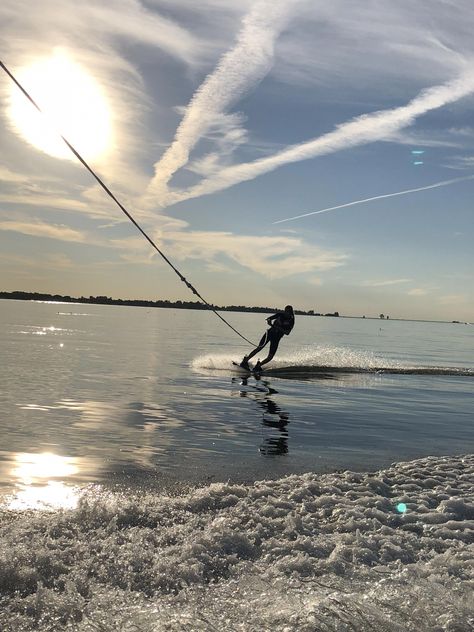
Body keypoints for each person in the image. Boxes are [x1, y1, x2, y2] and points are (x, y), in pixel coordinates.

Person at [240, 305, 294, 371]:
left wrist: (278, 328)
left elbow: (287, 333)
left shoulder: (291, 320)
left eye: (288, 311)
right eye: (285, 311)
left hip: (276, 338)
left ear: (291, 312)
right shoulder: (280, 315)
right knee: (259, 348)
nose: (286, 313)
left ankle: (259, 365)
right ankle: (245, 361)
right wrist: (269, 321)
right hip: (269, 333)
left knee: (270, 357)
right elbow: (268, 318)